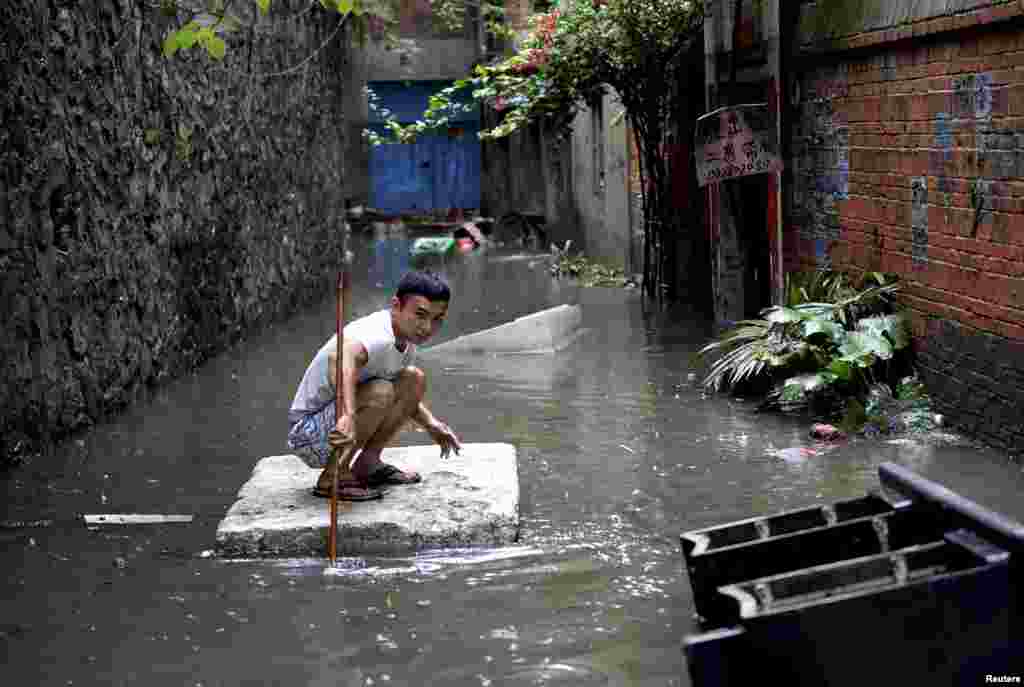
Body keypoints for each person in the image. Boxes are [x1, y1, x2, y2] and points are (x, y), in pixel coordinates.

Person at [286, 270, 462, 500]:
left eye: (437, 319)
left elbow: (401, 397)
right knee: (381, 390)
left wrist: (431, 424)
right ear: (396, 305)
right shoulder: (378, 333)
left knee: (413, 379)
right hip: (310, 435)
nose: (427, 327)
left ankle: (367, 464)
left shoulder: (405, 343)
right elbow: (339, 358)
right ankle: (332, 476)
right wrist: (347, 415)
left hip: (339, 430)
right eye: (420, 315)